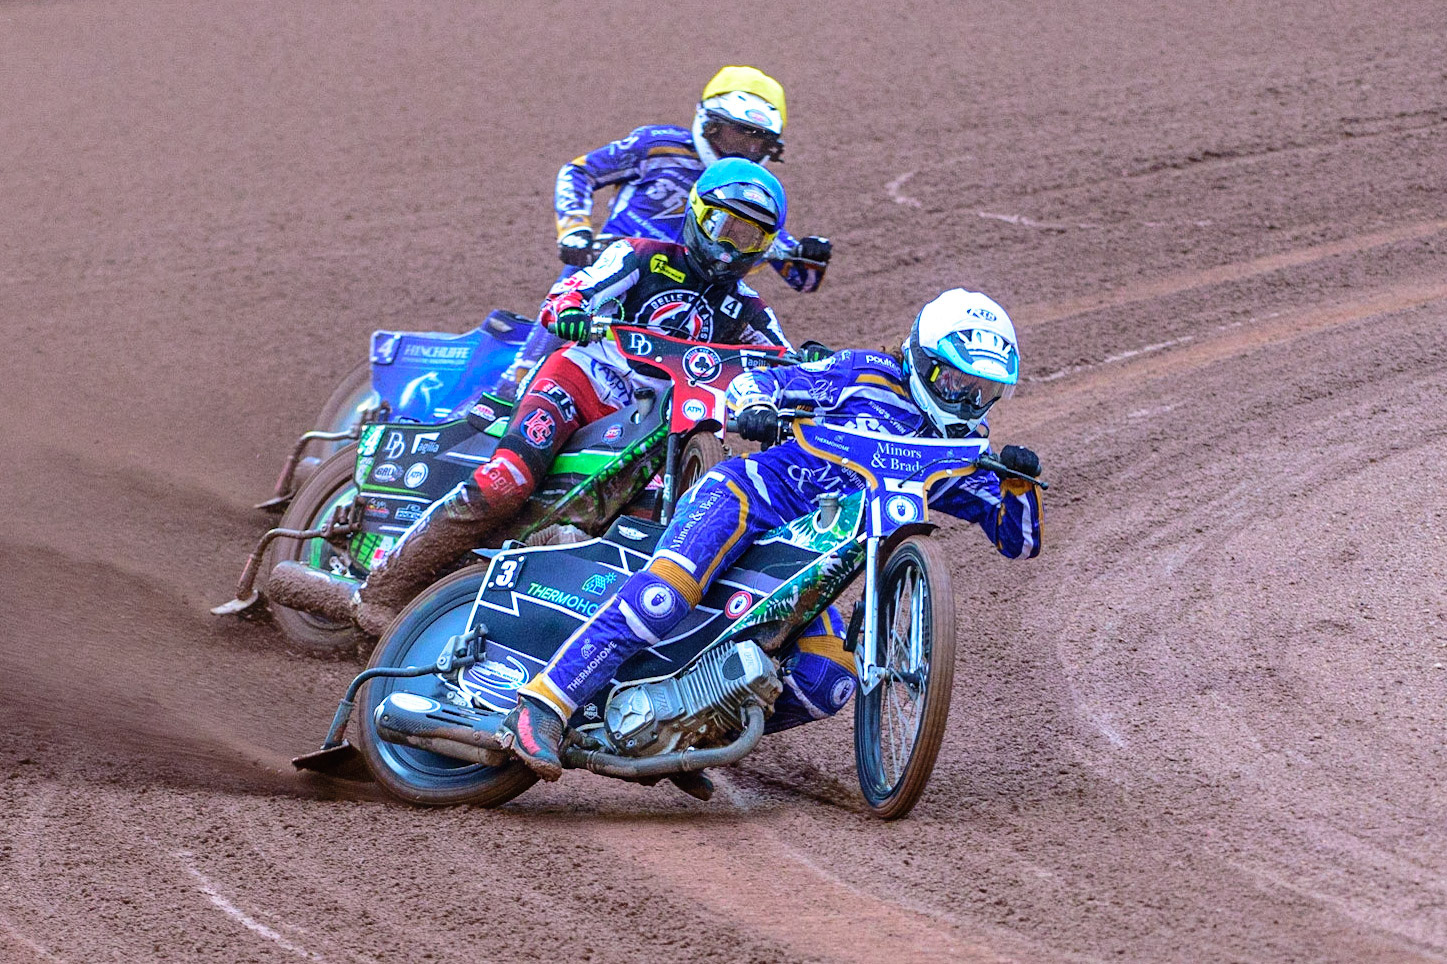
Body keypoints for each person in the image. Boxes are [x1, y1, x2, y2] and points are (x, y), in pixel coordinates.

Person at [494, 288, 1046, 780]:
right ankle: (543, 704)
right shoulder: (863, 373)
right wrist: (756, 406)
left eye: (984, 391)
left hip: (804, 564)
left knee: (828, 678)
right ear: (924, 363)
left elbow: (1018, 539)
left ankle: (685, 727)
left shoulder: (954, 454)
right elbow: (763, 380)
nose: (969, 401)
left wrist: (1020, 483)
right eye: (957, 381)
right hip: (747, 499)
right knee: (665, 597)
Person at [267, 159, 798, 636]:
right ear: (698, 215)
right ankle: (379, 591)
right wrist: (573, 308)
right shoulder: (640, 257)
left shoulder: (748, 309)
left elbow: (786, 360)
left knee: (631, 539)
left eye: (750, 238)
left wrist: (806, 381)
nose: (732, 247)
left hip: (653, 427)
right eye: (726, 227)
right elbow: (574, 289)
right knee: (508, 481)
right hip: (581, 385)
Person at [552, 65, 832, 286]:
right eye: (734, 133)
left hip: (682, 301)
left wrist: (809, 255)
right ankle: (530, 360)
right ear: (708, 122)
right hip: (608, 270)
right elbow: (578, 171)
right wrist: (575, 231)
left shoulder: (748, 195)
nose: (743, 149)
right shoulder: (655, 146)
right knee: (560, 312)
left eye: (756, 142)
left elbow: (803, 279)